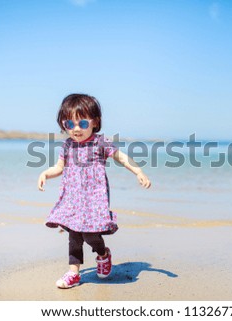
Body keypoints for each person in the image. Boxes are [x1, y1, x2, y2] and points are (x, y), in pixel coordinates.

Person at [37, 93, 151, 289]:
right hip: (72, 200)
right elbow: (59, 167)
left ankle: (103, 254)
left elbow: (121, 158)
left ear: (95, 122)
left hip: (94, 199)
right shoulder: (67, 145)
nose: (76, 130)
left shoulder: (101, 143)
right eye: (69, 125)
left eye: (81, 124)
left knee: (90, 235)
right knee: (74, 236)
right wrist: (46, 173)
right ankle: (74, 273)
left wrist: (138, 171)